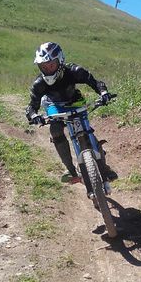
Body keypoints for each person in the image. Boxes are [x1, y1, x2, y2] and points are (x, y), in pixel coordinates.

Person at [25, 42, 118, 186]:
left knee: (87, 132)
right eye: (44, 67)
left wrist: (103, 92)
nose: (48, 69)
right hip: (54, 106)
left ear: (60, 60)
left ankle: (103, 167)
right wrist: (34, 116)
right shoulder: (39, 84)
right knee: (55, 130)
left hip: (75, 101)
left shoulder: (75, 71)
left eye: (51, 65)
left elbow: (95, 82)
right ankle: (70, 170)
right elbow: (32, 106)